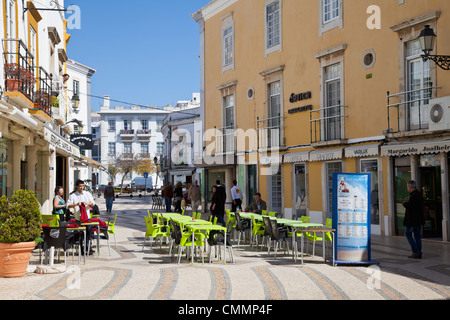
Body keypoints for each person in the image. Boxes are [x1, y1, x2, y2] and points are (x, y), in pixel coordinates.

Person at [402, 180, 425, 259]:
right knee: (417, 235)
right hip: (418, 220)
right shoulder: (419, 194)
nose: (407, 188)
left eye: (407, 187)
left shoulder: (413, 195)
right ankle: (419, 252)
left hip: (412, 220)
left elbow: (411, 207)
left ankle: (415, 251)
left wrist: (405, 203)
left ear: (410, 187)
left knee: (408, 234)